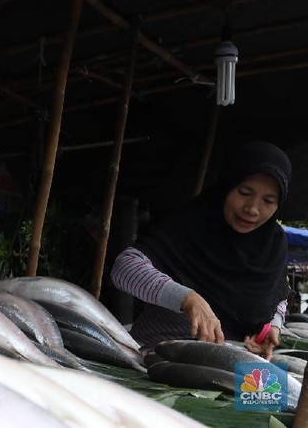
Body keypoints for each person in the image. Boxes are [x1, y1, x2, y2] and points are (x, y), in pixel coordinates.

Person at [111, 141, 292, 359]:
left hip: (231, 363)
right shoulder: (192, 222)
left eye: (268, 200)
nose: (252, 209)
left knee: (269, 393)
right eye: (244, 192)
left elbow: (279, 294)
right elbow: (124, 268)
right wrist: (187, 299)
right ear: (227, 185)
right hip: (154, 358)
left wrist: (271, 327)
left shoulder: (274, 243)